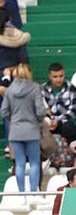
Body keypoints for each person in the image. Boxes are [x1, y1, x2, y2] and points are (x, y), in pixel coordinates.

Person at [2, 63, 46, 192]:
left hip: (15, 130)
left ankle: (21, 193)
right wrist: (37, 121)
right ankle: (33, 191)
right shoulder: (35, 88)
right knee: (34, 163)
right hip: (31, 129)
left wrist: (13, 119)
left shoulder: (9, 90)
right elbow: (40, 111)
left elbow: (4, 111)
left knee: (20, 163)